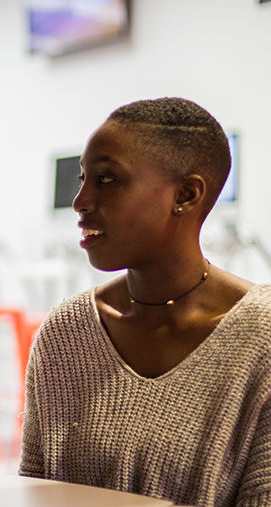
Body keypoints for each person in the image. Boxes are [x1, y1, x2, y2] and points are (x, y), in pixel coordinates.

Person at [19, 97, 271, 506]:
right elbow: (34, 489)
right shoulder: (66, 333)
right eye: (83, 179)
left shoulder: (260, 339)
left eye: (106, 180)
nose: (80, 201)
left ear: (186, 195)